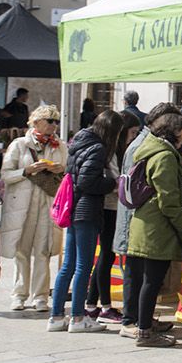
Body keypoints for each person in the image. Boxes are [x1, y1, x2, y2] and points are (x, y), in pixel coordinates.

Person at [49, 111, 123, 334]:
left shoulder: (80, 142)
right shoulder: (98, 148)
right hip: (87, 210)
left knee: (68, 265)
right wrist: (113, 183)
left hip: (73, 208)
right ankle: (78, 318)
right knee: (83, 266)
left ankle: (56, 317)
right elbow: (87, 181)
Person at [115, 103, 181, 334]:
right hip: (138, 220)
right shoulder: (145, 145)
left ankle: (142, 318)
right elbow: (138, 188)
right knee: (137, 275)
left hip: (141, 220)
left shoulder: (149, 143)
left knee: (144, 277)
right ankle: (131, 321)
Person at [127, 111, 182, 349]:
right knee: (152, 281)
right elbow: (168, 199)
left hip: (148, 224)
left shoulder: (153, 150)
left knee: (149, 280)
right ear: (172, 133)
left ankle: (145, 322)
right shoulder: (164, 156)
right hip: (156, 228)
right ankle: (144, 331)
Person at [0, 104, 67, 313]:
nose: (54, 125)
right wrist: (27, 170)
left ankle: (40, 296)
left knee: (43, 251)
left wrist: (59, 169)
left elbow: (67, 173)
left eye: (56, 121)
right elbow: (5, 175)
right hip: (23, 204)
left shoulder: (60, 146)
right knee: (22, 251)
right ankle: (19, 295)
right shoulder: (20, 144)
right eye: (50, 120)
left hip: (47, 203)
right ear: (36, 122)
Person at [88, 110, 141, 323]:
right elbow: (115, 180)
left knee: (106, 256)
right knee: (107, 256)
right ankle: (105, 307)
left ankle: (92, 304)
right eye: (132, 132)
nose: (133, 137)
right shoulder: (109, 152)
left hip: (113, 206)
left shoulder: (118, 150)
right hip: (109, 207)